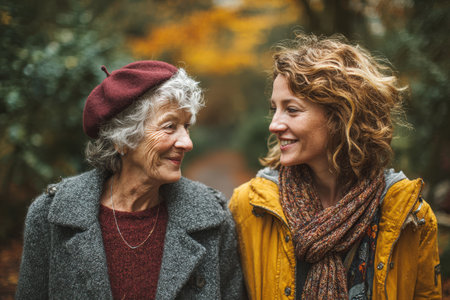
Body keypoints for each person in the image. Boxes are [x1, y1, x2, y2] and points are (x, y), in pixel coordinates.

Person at [229, 33, 441, 299]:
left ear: (341, 116)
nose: (274, 124)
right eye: (275, 109)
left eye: (292, 110)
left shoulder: (409, 216)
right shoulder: (250, 207)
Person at [16, 60, 243, 299]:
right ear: (123, 138)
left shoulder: (213, 219)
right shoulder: (49, 217)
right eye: (169, 126)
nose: (187, 143)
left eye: (186, 127)